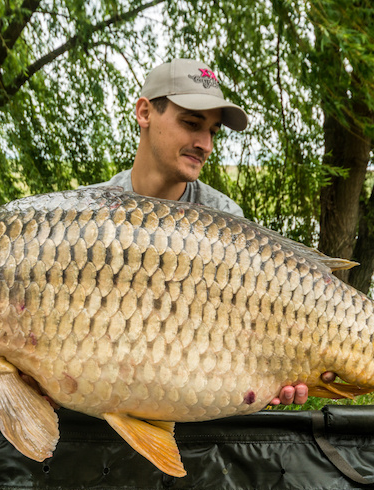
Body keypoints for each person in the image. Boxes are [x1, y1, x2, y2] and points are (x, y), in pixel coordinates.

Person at [89, 58, 312, 406]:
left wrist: (275, 367)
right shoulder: (90, 218)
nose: (205, 144)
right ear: (145, 113)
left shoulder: (226, 221)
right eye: (192, 124)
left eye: (212, 132)